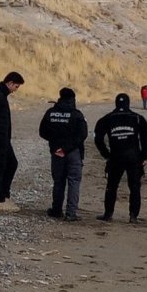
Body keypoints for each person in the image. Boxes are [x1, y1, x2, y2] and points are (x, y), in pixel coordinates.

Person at [93, 93, 147, 223]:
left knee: (112, 186)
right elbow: (146, 139)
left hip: (115, 156)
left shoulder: (107, 118)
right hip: (133, 157)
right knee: (135, 187)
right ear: (128, 103)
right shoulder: (137, 118)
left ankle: (108, 214)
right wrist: (144, 156)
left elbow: (98, 139)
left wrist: (106, 154)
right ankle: (133, 216)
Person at [39, 87, 88, 221]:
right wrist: (66, 148)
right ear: (73, 99)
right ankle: (71, 213)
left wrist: (56, 146)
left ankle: (56, 210)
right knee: (74, 182)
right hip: (73, 153)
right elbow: (83, 134)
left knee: (58, 182)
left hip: (56, 152)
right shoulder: (77, 114)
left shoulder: (50, 113)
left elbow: (42, 131)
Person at [0, 72, 24, 212]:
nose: (15, 90)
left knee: (11, 164)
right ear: (10, 83)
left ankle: (4, 196)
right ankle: (0, 201)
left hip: (3, 140)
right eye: (16, 86)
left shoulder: (1, 95)